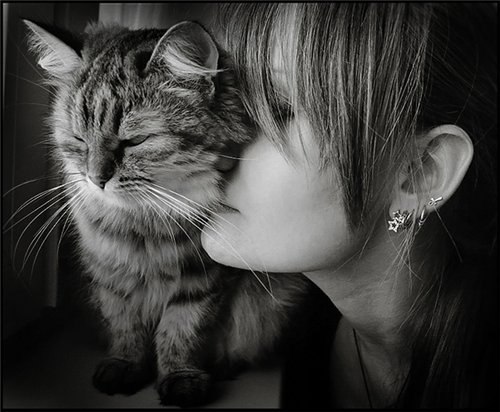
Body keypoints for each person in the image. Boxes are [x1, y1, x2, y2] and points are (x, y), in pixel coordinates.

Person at [200, 3, 498, 409]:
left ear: (420, 173)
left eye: (279, 110)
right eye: (223, 99)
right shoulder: (280, 337)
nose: (211, 147)